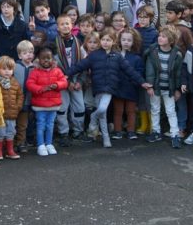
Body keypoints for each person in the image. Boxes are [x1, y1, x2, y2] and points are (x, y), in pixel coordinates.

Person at [68, 30, 143, 148]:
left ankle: (93, 118)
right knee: (102, 115)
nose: (105, 42)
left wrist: (142, 82)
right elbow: (80, 66)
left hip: (110, 88)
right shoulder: (94, 55)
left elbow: (130, 71)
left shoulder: (117, 56)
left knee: (102, 109)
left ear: (113, 42)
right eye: (103, 40)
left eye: (108, 40)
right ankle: (106, 138)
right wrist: (67, 74)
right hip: (97, 87)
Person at [144, 26, 184, 148]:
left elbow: (178, 73)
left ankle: (175, 134)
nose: (160, 38)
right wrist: (149, 86)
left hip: (169, 88)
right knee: (155, 109)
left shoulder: (176, 54)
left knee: (171, 111)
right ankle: (155, 131)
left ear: (171, 40)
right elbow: (149, 70)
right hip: (156, 87)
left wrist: (177, 89)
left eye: (163, 36)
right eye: (159, 36)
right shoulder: (153, 52)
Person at [25, 47, 67, 156]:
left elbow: (64, 82)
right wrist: (40, 89)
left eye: (48, 58)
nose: (46, 60)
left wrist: (56, 85)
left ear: (52, 59)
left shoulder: (57, 70)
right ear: (38, 59)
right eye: (43, 58)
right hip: (40, 105)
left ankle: (49, 143)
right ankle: (40, 145)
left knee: (50, 125)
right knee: (41, 125)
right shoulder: (35, 71)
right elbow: (30, 84)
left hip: (53, 105)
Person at [52, 14, 85, 142]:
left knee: (79, 107)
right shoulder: (54, 44)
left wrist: (80, 81)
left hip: (77, 81)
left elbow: (83, 63)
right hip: (61, 82)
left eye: (67, 23)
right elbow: (54, 66)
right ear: (57, 27)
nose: (65, 26)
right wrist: (65, 81)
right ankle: (63, 132)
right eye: (62, 24)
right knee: (62, 108)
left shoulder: (79, 43)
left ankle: (78, 130)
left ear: (72, 25)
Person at [113, 28, 145, 140]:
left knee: (131, 111)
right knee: (118, 111)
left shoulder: (137, 58)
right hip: (118, 87)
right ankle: (117, 130)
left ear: (134, 42)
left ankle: (131, 131)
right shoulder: (115, 55)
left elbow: (139, 73)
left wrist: (134, 83)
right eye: (124, 39)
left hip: (131, 88)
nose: (126, 42)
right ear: (119, 40)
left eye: (129, 40)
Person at [0, 55, 23, 161]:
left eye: (9, 69)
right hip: (0, 113)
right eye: (4, 69)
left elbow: (20, 95)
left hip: (12, 113)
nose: (7, 72)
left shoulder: (15, 82)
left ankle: (10, 150)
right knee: (0, 132)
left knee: (11, 131)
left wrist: (18, 106)